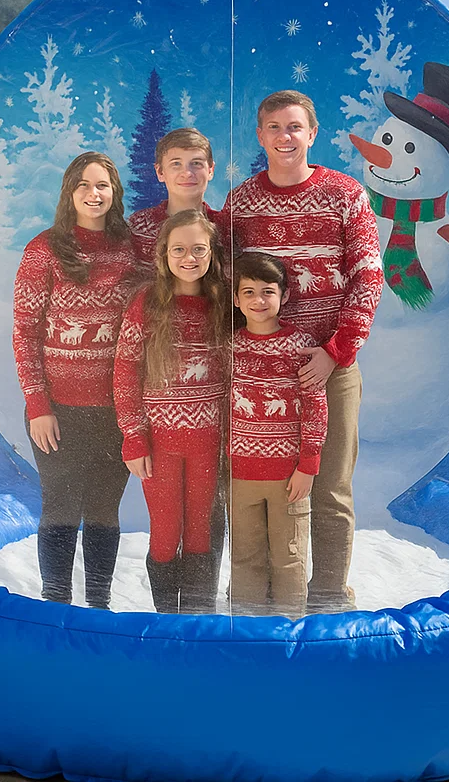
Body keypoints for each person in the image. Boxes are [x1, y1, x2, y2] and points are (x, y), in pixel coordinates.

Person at [224, 90, 383, 613]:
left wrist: (335, 351)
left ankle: (330, 594)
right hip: (256, 375)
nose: (284, 137)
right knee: (266, 490)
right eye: (273, 127)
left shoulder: (345, 195)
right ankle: (266, 596)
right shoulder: (243, 202)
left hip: (328, 368)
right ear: (260, 136)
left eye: (294, 127)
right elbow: (220, 273)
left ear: (312, 134)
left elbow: (368, 276)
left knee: (329, 486)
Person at [12, 152, 138, 609]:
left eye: (103, 185)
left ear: (115, 192)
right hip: (57, 410)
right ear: (69, 193)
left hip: (115, 409)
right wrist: (38, 404)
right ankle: (56, 600)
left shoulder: (132, 250)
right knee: (61, 507)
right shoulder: (44, 249)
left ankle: (99, 601)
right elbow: (24, 332)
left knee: (104, 509)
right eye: (83, 185)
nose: (94, 193)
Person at [113, 209, 229, 614]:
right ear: (163, 254)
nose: (189, 258)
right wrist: (133, 435)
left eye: (199, 249)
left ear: (212, 253)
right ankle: (167, 620)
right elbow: (125, 371)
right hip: (160, 444)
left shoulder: (223, 302)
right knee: (165, 534)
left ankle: (195, 622)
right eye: (179, 249)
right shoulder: (146, 302)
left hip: (207, 443)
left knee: (199, 533)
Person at [229, 252, 327, 619]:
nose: (258, 300)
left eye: (267, 292)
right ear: (236, 299)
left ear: (284, 296)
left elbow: (316, 406)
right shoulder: (231, 346)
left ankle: (289, 627)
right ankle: (247, 627)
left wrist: (309, 464)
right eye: (249, 292)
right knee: (245, 554)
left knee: (288, 555)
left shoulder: (300, 346)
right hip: (240, 474)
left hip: (288, 475)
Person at [127, 127, 228, 265]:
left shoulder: (226, 229)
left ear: (211, 170)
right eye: (176, 164)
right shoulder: (137, 228)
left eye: (196, 163)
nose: (187, 173)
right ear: (160, 172)